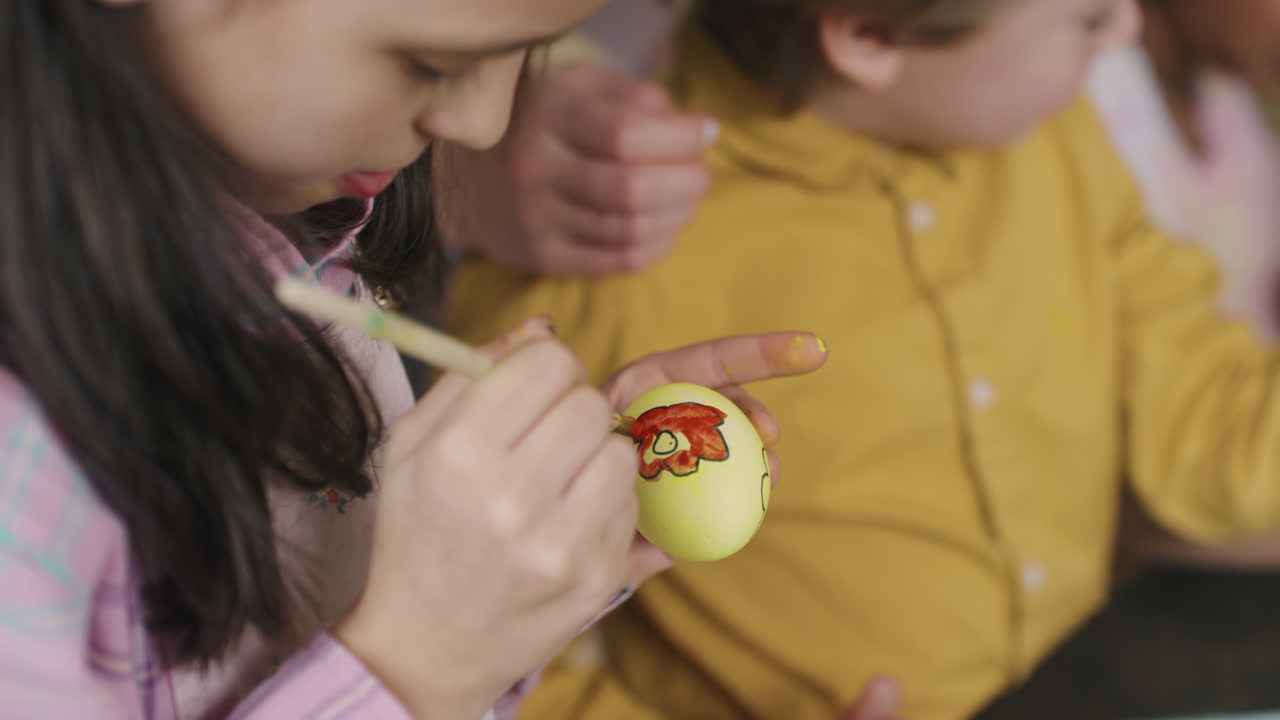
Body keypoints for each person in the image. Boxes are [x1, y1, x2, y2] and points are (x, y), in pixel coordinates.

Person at [444, 0, 1280, 717]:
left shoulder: (1061, 144)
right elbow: (482, 650)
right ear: (869, 38)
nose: (1127, 28)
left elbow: (1210, 445)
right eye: (1087, 16)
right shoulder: (594, 247)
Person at [0, 1, 828, 718]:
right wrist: (416, 670)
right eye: (432, 62)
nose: (484, 125)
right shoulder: (24, 499)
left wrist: (502, 590)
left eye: (526, 52)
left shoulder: (291, 225)